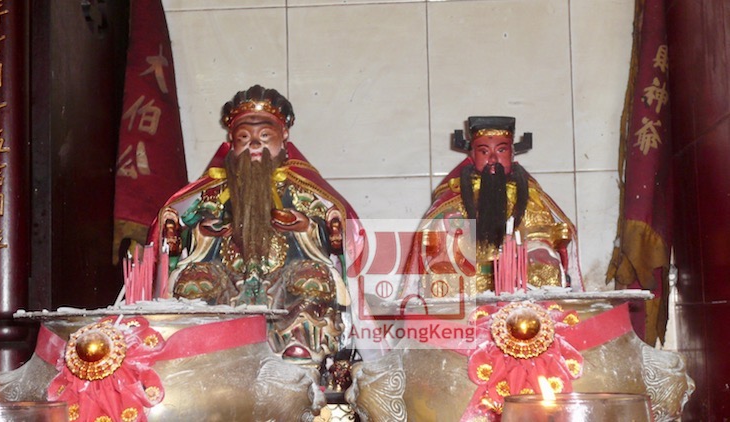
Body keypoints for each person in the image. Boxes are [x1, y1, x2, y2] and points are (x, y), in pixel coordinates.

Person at [148, 85, 361, 366]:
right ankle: (205, 353)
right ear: (232, 142)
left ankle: (298, 345)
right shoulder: (214, 191)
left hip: (287, 272)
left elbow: (336, 230)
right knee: (193, 282)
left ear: (283, 136)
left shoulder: (301, 190)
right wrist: (201, 232)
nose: (255, 145)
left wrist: (307, 227)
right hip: (225, 272)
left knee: (313, 279)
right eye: (245, 138)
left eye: (264, 136)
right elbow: (184, 227)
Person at [402, 116, 582, 298]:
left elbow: (539, 233)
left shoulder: (528, 195)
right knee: (443, 273)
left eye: (501, 150)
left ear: (512, 153)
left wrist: (537, 251)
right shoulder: (457, 195)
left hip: (517, 269)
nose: (493, 159)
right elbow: (435, 238)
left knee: (544, 266)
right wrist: (451, 229)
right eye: (484, 152)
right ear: (473, 155)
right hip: (469, 266)